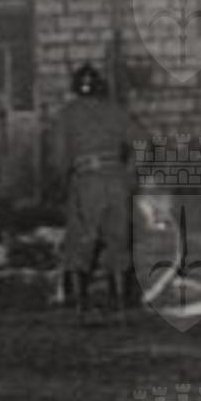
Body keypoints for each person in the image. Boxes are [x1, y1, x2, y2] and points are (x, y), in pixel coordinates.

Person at [53, 62, 136, 317]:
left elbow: (59, 156)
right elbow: (144, 143)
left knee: (80, 240)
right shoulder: (115, 111)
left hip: (86, 181)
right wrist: (130, 175)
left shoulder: (68, 114)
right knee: (118, 240)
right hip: (116, 181)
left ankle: (80, 304)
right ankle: (120, 302)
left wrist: (62, 184)